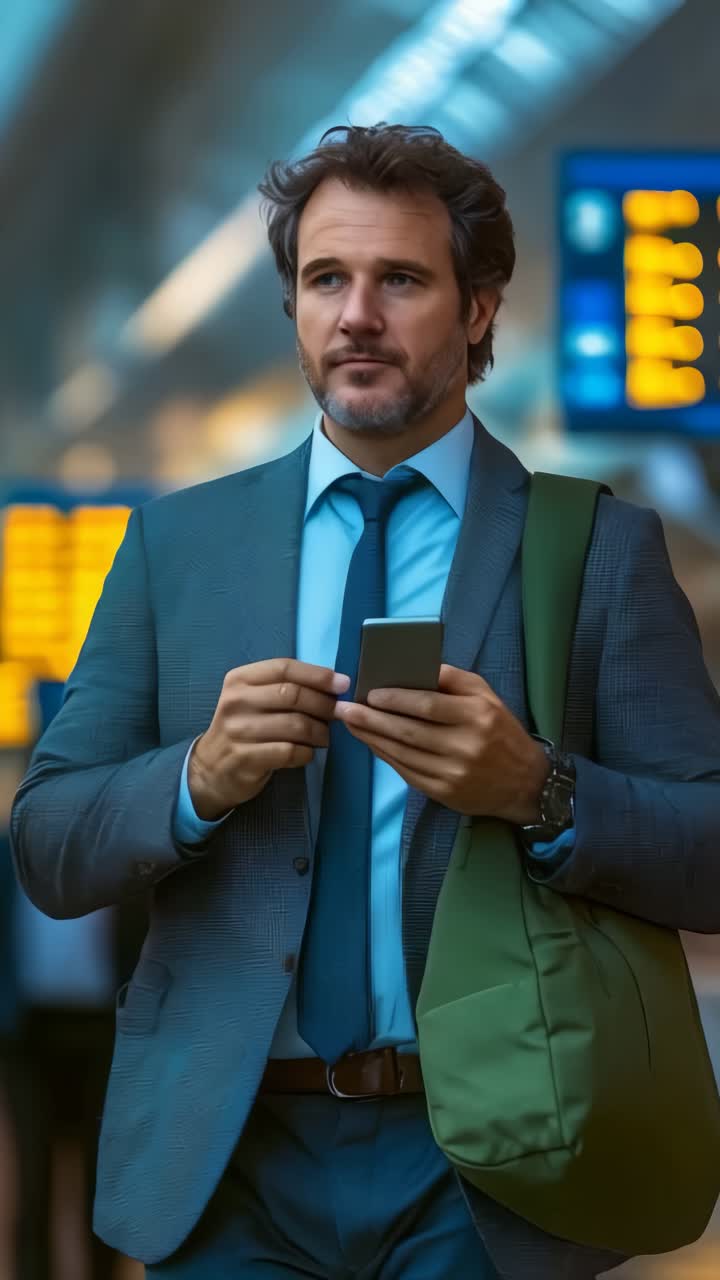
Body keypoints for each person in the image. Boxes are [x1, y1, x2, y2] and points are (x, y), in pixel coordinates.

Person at [9, 123, 720, 1280]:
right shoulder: (179, 546)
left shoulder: (593, 549)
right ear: (292, 302)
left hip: (491, 1160)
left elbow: (709, 851)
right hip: (227, 1157)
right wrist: (196, 779)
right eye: (325, 277)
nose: (357, 315)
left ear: (479, 308)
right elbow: (47, 846)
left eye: (401, 279)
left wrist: (538, 788)